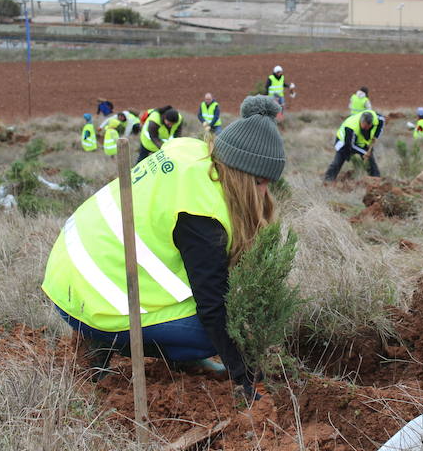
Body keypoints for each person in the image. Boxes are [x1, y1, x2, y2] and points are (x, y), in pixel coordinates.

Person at [41, 95, 285, 401]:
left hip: (70, 265)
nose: (264, 193)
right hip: (91, 295)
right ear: (242, 174)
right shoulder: (202, 212)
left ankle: (129, 336)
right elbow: (212, 306)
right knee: (217, 328)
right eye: (261, 183)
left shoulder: (191, 152)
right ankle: (103, 338)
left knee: (213, 304)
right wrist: (245, 376)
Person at [323, 110, 385, 181]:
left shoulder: (376, 118)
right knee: (338, 162)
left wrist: (376, 136)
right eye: (365, 127)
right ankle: (328, 180)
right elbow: (350, 145)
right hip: (345, 142)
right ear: (361, 122)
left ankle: (376, 179)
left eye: (369, 127)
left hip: (361, 141)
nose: (367, 128)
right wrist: (365, 153)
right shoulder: (351, 128)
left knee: (370, 161)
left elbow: (382, 120)